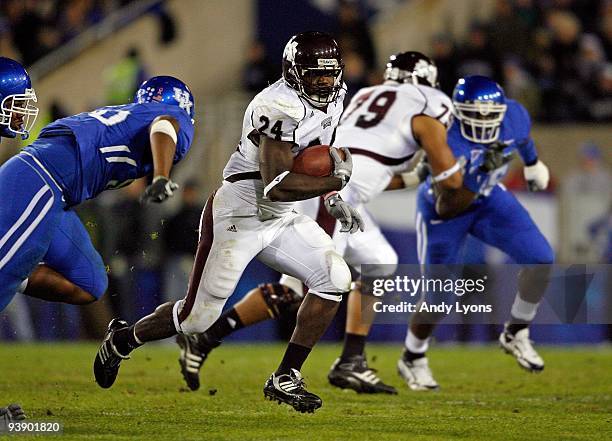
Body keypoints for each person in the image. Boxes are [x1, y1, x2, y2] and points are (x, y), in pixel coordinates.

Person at [93, 31, 364, 414]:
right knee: (196, 317)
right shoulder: (277, 105)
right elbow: (276, 185)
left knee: (334, 279)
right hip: (241, 211)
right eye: (314, 74)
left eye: (328, 74)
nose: (324, 82)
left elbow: (316, 154)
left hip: (282, 217)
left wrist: (332, 197)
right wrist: (335, 181)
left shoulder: (334, 97)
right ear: (292, 72)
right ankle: (123, 339)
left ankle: (285, 376)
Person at [172, 52, 465, 395]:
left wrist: (411, 178)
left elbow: (370, 169)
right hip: (327, 188)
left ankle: (350, 360)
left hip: (343, 183)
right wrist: (450, 179)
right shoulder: (431, 102)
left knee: (380, 263)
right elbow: (436, 171)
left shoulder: (367, 94)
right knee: (302, 289)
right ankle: (214, 341)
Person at [397, 75, 554, 390]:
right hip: (444, 210)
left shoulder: (514, 114)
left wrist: (532, 164)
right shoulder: (446, 139)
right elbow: (447, 206)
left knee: (541, 258)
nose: (482, 121)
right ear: (457, 110)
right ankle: (412, 357)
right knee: (440, 298)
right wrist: (481, 172)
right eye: (474, 113)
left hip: (488, 198)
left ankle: (516, 331)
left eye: (488, 114)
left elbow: (522, 138)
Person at [0, 62, 195, 311]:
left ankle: (16, 272)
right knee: (3, 272)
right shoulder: (171, 115)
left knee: (89, 281)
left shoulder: (130, 116)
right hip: (41, 179)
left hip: (54, 192)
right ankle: (11, 269)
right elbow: (164, 125)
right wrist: (161, 175)